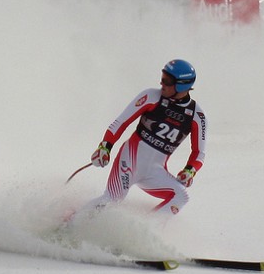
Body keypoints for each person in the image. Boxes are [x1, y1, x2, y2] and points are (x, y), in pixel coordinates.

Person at [87, 59, 206, 216]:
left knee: (181, 197)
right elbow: (121, 122)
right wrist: (105, 146)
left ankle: (145, 231)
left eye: (167, 80)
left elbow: (199, 153)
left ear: (182, 84)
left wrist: (190, 170)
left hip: (154, 171)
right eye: (162, 77)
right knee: (113, 199)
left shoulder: (197, 116)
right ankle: (69, 223)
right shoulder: (152, 96)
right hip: (130, 160)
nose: (161, 83)